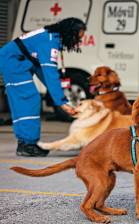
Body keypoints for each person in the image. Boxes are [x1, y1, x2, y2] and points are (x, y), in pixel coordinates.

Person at [0, 17, 86, 157]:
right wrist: (62, 102)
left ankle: (25, 143)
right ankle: (27, 145)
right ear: (70, 32)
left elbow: (44, 72)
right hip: (13, 61)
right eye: (78, 37)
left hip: (20, 60)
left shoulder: (52, 37)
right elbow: (49, 72)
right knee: (29, 99)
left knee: (27, 100)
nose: (78, 42)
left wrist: (60, 96)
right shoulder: (50, 42)